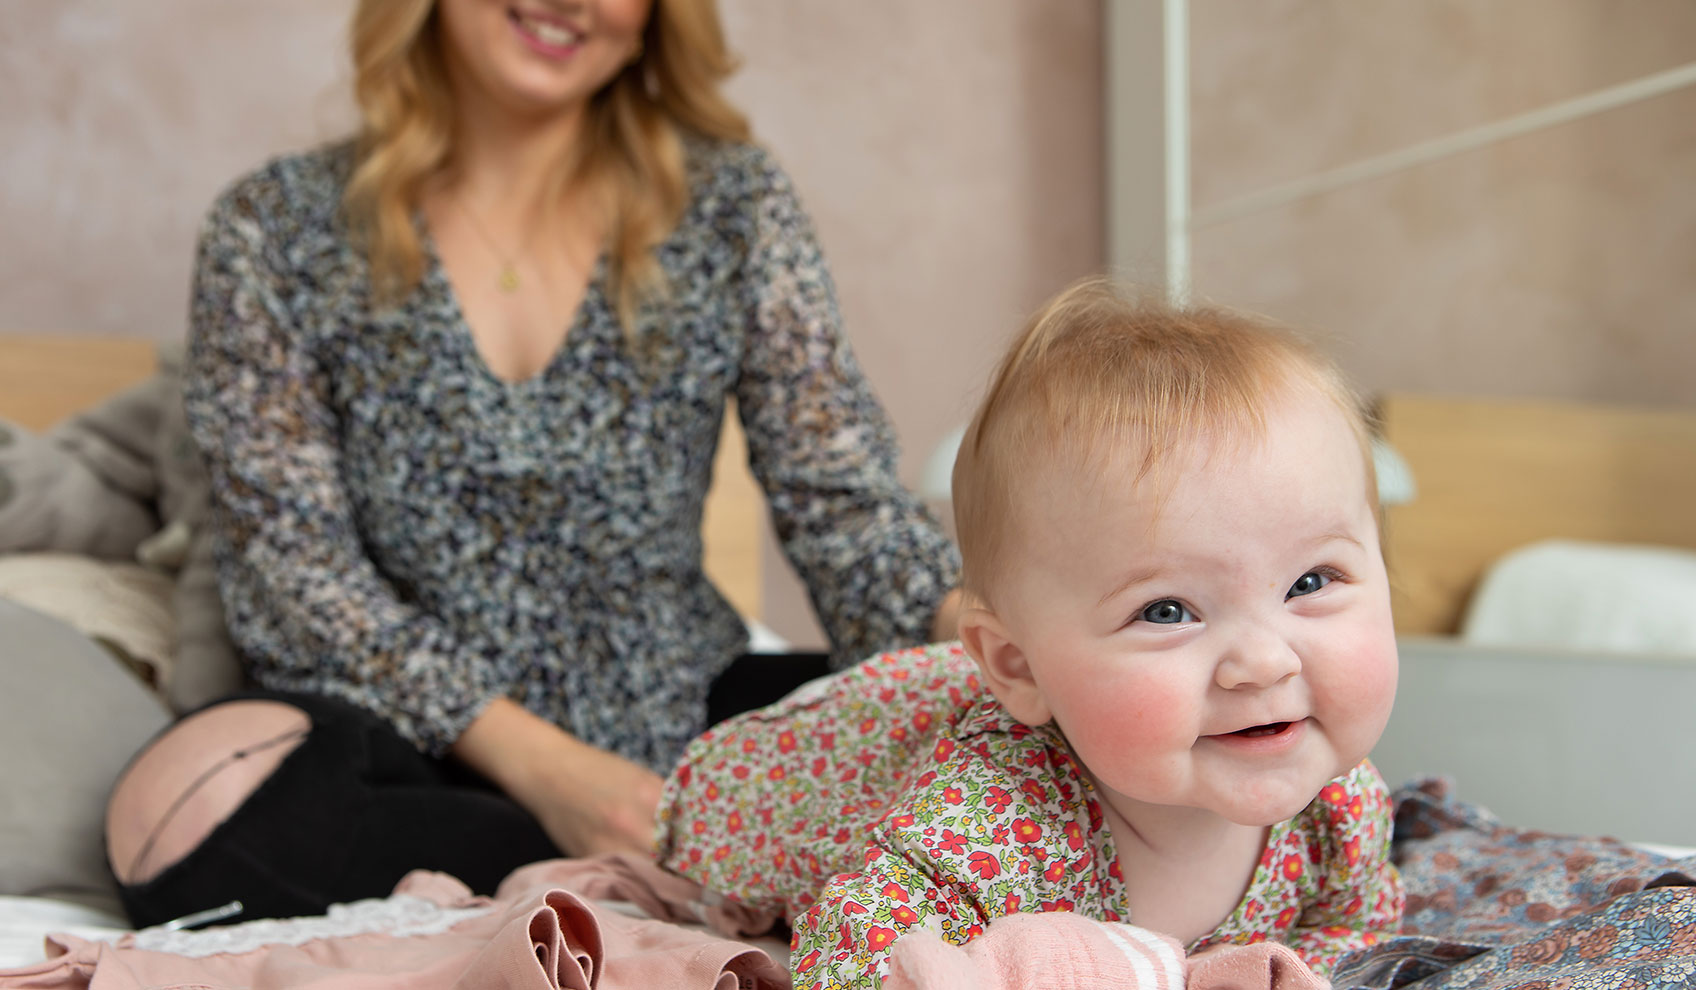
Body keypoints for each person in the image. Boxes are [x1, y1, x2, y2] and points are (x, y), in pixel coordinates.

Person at [103, 0, 960, 930]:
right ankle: (660, 881)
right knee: (175, 813)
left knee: (974, 742)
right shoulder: (272, 228)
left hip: (682, 732)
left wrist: (996, 643)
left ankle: (615, 875)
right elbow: (294, 574)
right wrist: (552, 774)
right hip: (415, 749)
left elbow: (841, 501)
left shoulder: (731, 204)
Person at [657, 277, 1404, 988]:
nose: (1264, 663)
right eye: (1167, 610)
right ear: (1018, 666)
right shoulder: (991, 825)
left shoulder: (1341, 808)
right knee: (694, 858)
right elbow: (856, 954)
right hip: (814, 762)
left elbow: (1350, 926)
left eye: (1312, 582)